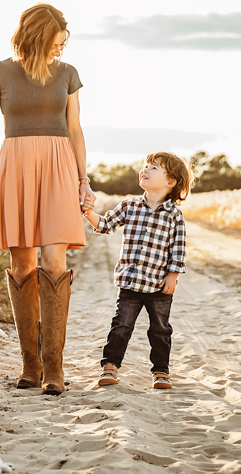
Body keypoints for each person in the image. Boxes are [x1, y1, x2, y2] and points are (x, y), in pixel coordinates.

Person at [0, 4, 97, 396]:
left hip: (60, 165)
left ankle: (54, 368)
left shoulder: (68, 74)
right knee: (22, 262)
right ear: (40, 36)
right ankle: (31, 364)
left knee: (54, 260)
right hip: (15, 165)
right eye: (57, 42)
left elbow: (75, 129)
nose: (61, 49)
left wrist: (83, 179)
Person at [82, 152, 193, 390]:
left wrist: (172, 275)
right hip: (130, 282)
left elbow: (179, 247)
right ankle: (110, 366)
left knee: (160, 330)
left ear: (171, 182)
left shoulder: (174, 214)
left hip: (158, 285)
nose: (145, 169)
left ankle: (161, 372)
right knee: (121, 326)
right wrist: (88, 212)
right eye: (145, 166)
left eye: (154, 168)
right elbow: (105, 224)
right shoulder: (129, 205)